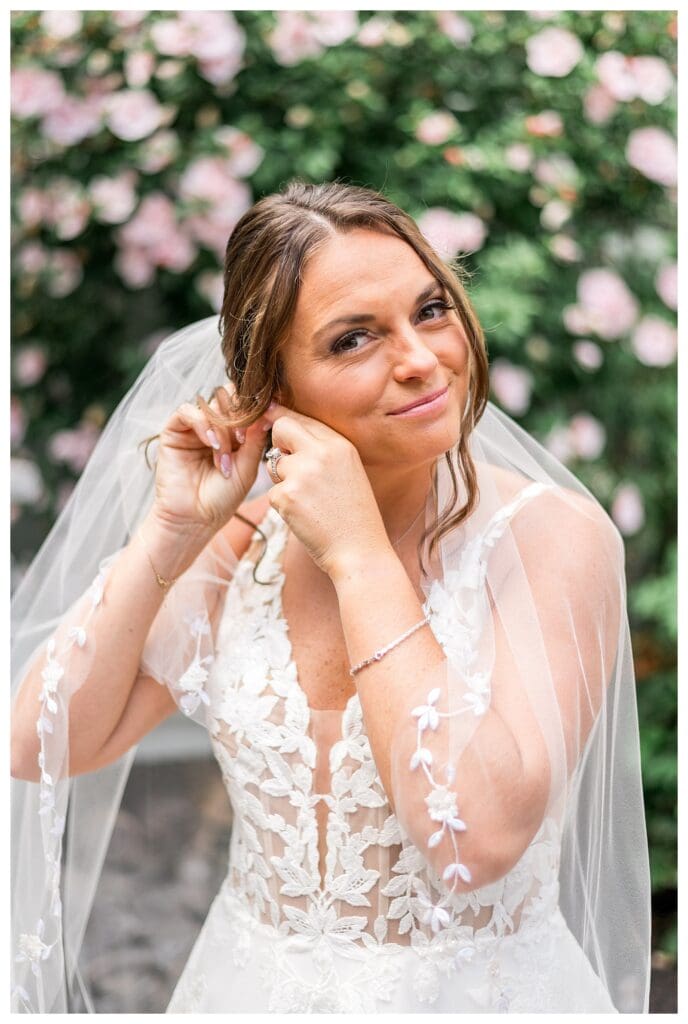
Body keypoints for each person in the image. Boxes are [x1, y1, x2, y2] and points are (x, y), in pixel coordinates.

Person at [11, 181, 651, 1014]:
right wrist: (171, 532)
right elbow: (41, 744)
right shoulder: (242, 540)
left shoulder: (552, 539)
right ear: (274, 387)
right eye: (355, 339)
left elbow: (476, 842)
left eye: (430, 310)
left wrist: (356, 553)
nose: (421, 359)